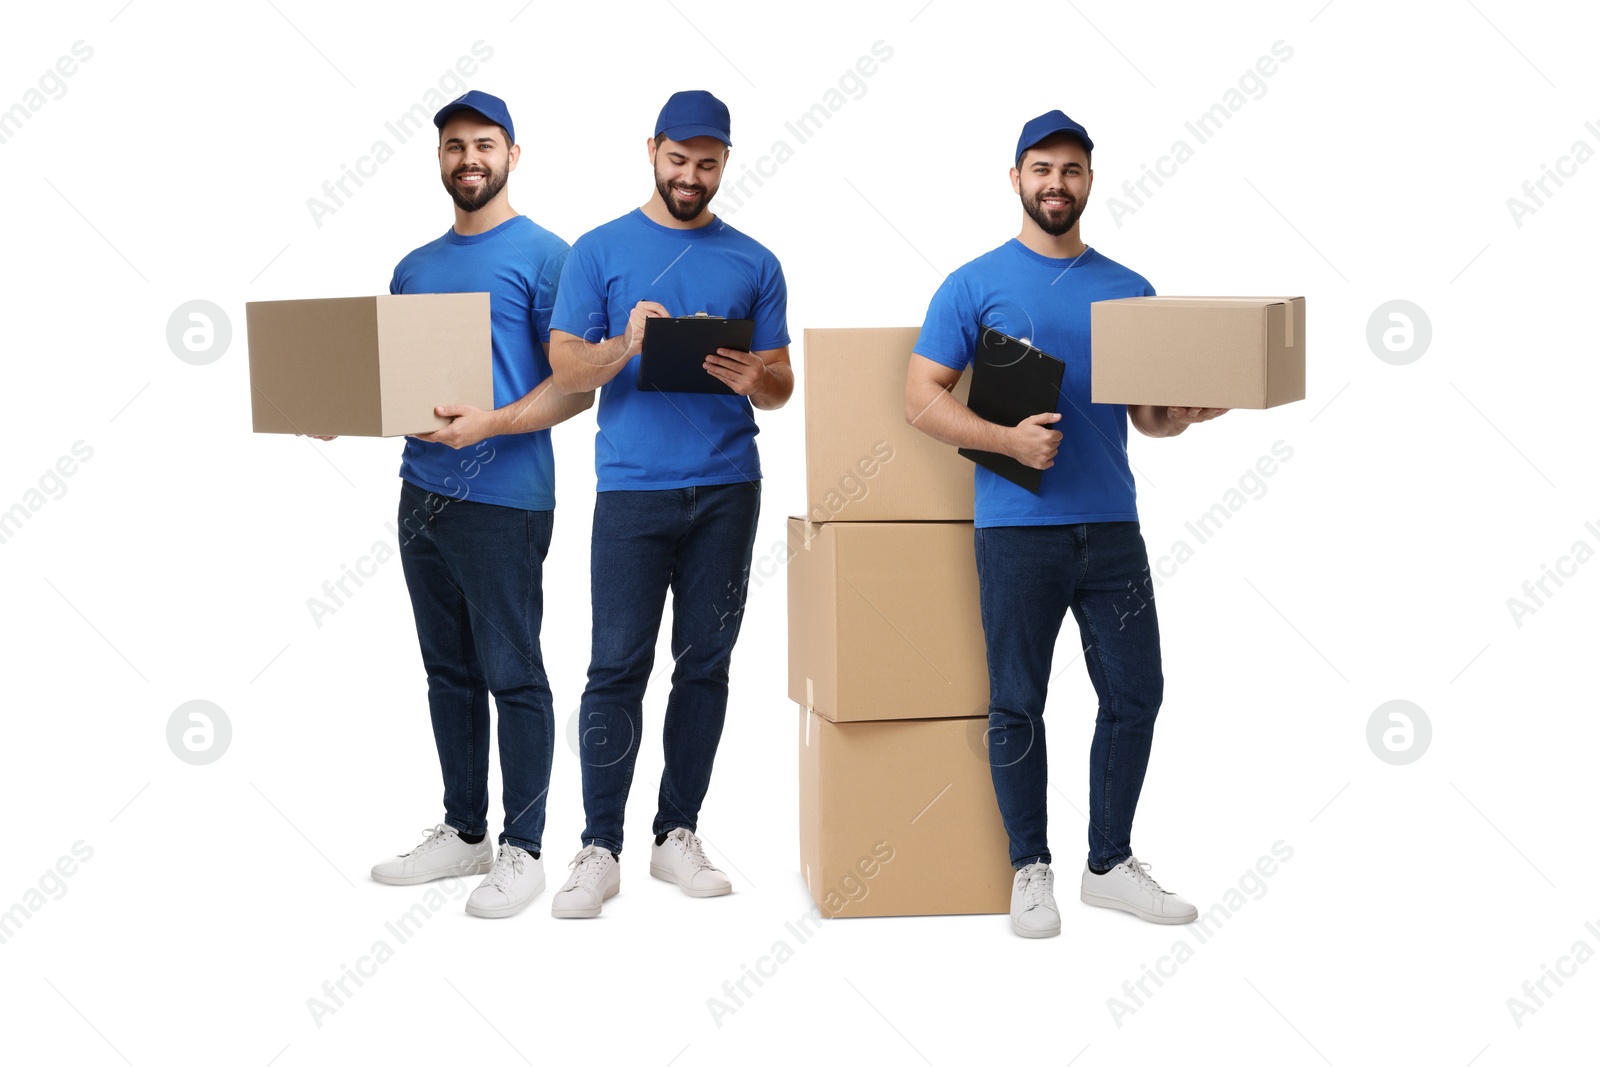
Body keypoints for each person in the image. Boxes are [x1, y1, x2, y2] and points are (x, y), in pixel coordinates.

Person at [905, 110, 1226, 938]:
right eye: (1041, 168)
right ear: (1015, 179)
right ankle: (1030, 868)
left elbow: (1149, 417)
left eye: (1072, 169)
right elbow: (921, 398)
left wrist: (1189, 413)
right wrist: (1001, 438)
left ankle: (1109, 864)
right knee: (1017, 701)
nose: (1057, 183)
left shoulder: (1130, 290)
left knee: (1137, 693)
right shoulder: (973, 284)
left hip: (1112, 526)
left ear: (1090, 180)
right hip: (1016, 529)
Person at [544, 89, 792, 919]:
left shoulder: (755, 261)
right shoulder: (599, 250)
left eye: (708, 162)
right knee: (614, 666)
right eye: (679, 159)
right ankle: (599, 845)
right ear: (651, 150)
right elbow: (567, 371)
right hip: (631, 490)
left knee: (705, 664)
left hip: (728, 489)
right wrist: (628, 343)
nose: (692, 176)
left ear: (726, 160)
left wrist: (758, 376)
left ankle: (676, 832)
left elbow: (783, 386)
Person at [359, 90, 593, 919]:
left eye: (484, 144)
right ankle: (466, 833)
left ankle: (524, 848)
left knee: (512, 672)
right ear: (439, 158)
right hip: (420, 494)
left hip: (506, 498)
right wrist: (336, 406)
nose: (469, 158)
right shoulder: (413, 267)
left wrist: (492, 422)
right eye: (455, 145)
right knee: (447, 671)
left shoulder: (549, 257)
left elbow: (574, 390)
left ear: (513, 155)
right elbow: (393, 382)